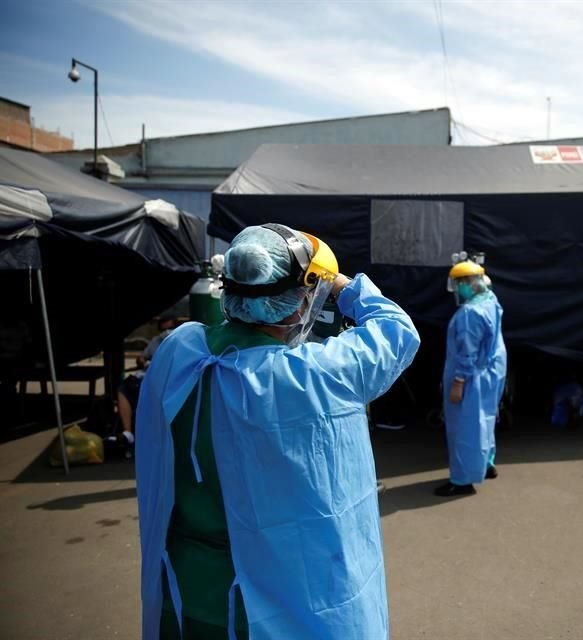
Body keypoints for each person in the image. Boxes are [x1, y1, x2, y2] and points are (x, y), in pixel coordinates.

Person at [135, 224, 420, 640]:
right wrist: (340, 285)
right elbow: (396, 331)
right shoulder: (317, 375)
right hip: (286, 603)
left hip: (191, 589)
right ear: (298, 302)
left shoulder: (179, 352)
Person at [435, 258, 507, 497]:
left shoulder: (469, 313)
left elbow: (467, 351)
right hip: (493, 369)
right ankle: (487, 464)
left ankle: (462, 480)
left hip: (472, 375)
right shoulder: (490, 300)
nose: (457, 290)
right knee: (487, 419)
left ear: (467, 283)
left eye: (459, 284)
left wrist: (458, 382)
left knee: (466, 427)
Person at [114, 316, 176, 457]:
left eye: (170, 328)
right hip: (146, 377)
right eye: (163, 329)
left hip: (163, 381)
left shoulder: (179, 343)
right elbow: (142, 357)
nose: (166, 332)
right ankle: (128, 432)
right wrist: (142, 361)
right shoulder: (155, 342)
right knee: (124, 388)